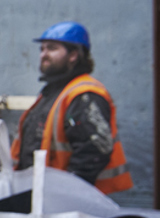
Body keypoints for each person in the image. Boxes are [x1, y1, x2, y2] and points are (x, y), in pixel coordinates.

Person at [10, 22, 132, 194]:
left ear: (73, 55)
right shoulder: (54, 92)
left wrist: (66, 194)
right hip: (43, 197)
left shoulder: (84, 95)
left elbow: (93, 153)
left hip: (68, 203)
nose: (43, 55)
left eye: (51, 49)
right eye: (42, 49)